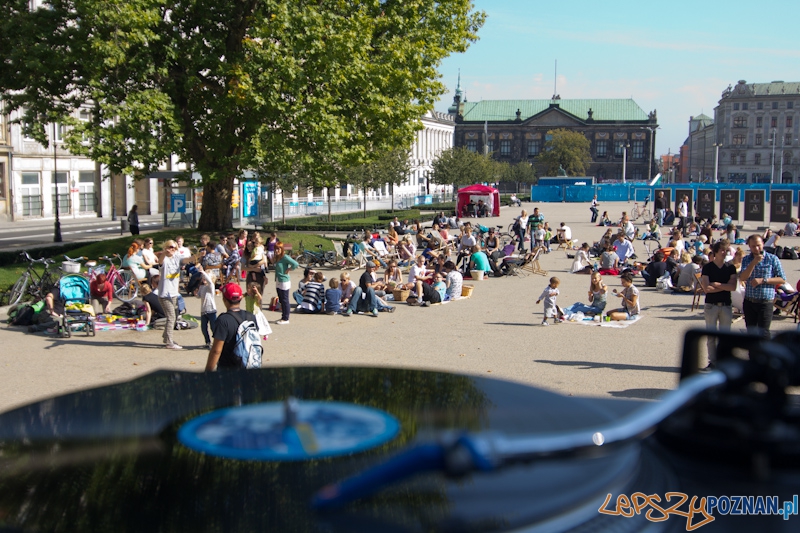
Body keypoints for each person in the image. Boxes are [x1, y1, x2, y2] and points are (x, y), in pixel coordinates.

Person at [739, 234, 786, 337]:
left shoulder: (772, 259)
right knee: (751, 333)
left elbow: (782, 279)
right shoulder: (747, 259)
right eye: (753, 246)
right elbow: (742, 278)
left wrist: (764, 280)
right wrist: (753, 264)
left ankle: (764, 353)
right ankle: (752, 353)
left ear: (763, 244)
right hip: (750, 301)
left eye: (758, 245)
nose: (756, 248)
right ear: (749, 246)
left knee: (764, 333)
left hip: (765, 303)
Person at [205, 283, 260, 371]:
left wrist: (208, 372)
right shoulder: (250, 316)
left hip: (228, 369)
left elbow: (216, 351)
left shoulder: (223, 320)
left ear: (224, 299)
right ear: (241, 298)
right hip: (248, 365)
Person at [701, 240, 738, 367]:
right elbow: (707, 289)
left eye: (726, 250)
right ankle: (713, 361)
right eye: (722, 250)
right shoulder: (707, 267)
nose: (724, 253)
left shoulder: (730, 267)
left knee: (725, 336)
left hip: (726, 304)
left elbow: (733, 287)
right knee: (711, 336)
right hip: (711, 305)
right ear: (715, 252)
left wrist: (717, 285)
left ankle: (724, 360)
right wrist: (725, 286)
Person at [157, 240, 185, 350]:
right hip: (165, 293)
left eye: (174, 247)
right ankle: (169, 342)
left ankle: (166, 337)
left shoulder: (177, 258)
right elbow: (159, 262)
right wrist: (164, 253)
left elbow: (186, 259)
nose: (172, 249)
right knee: (171, 317)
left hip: (174, 293)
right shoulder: (164, 260)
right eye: (170, 247)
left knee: (173, 316)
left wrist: (197, 256)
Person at [273, 243, 298, 325]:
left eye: (278, 249)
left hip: (284, 280)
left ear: (282, 249)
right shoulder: (277, 258)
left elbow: (295, 264)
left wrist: (289, 269)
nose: (276, 251)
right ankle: (283, 316)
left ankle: (286, 318)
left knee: (285, 300)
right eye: (275, 249)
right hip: (278, 280)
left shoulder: (285, 257)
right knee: (281, 299)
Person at [197, 267, 217, 349]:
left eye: (206, 277)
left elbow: (209, 281)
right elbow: (199, 295)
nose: (204, 278)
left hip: (211, 310)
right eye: (203, 277)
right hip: (203, 310)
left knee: (213, 327)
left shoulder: (211, 286)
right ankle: (207, 342)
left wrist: (203, 272)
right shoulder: (202, 287)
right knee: (203, 328)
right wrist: (196, 294)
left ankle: (217, 341)